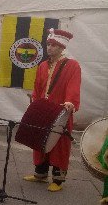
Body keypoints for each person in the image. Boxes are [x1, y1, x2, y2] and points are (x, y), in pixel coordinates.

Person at [23, 29, 81, 192]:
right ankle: (40, 174)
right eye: (48, 44)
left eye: (54, 45)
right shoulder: (42, 65)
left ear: (62, 47)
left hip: (61, 110)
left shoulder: (72, 65)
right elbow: (38, 88)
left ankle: (58, 179)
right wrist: (34, 101)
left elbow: (73, 85)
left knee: (59, 144)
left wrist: (70, 101)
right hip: (44, 110)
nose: (49, 47)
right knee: (40, 139)